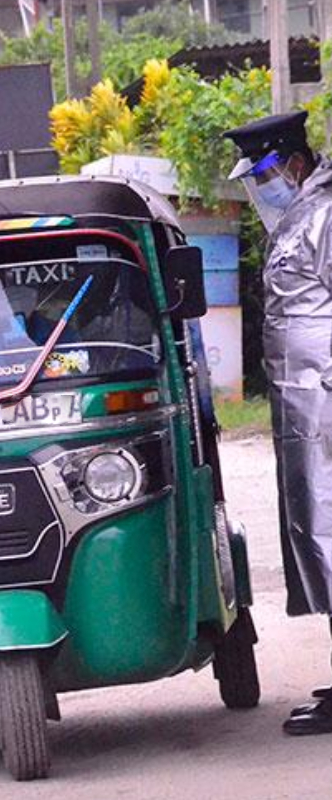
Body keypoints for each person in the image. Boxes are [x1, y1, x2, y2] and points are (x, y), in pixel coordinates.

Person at [225, 110, 332, 735]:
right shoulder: (300, 218)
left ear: (293, 163)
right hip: (306, 409)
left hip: (325, 402)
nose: (259, 188)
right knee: (319, 540)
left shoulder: (324, 216)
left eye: (263, 174)